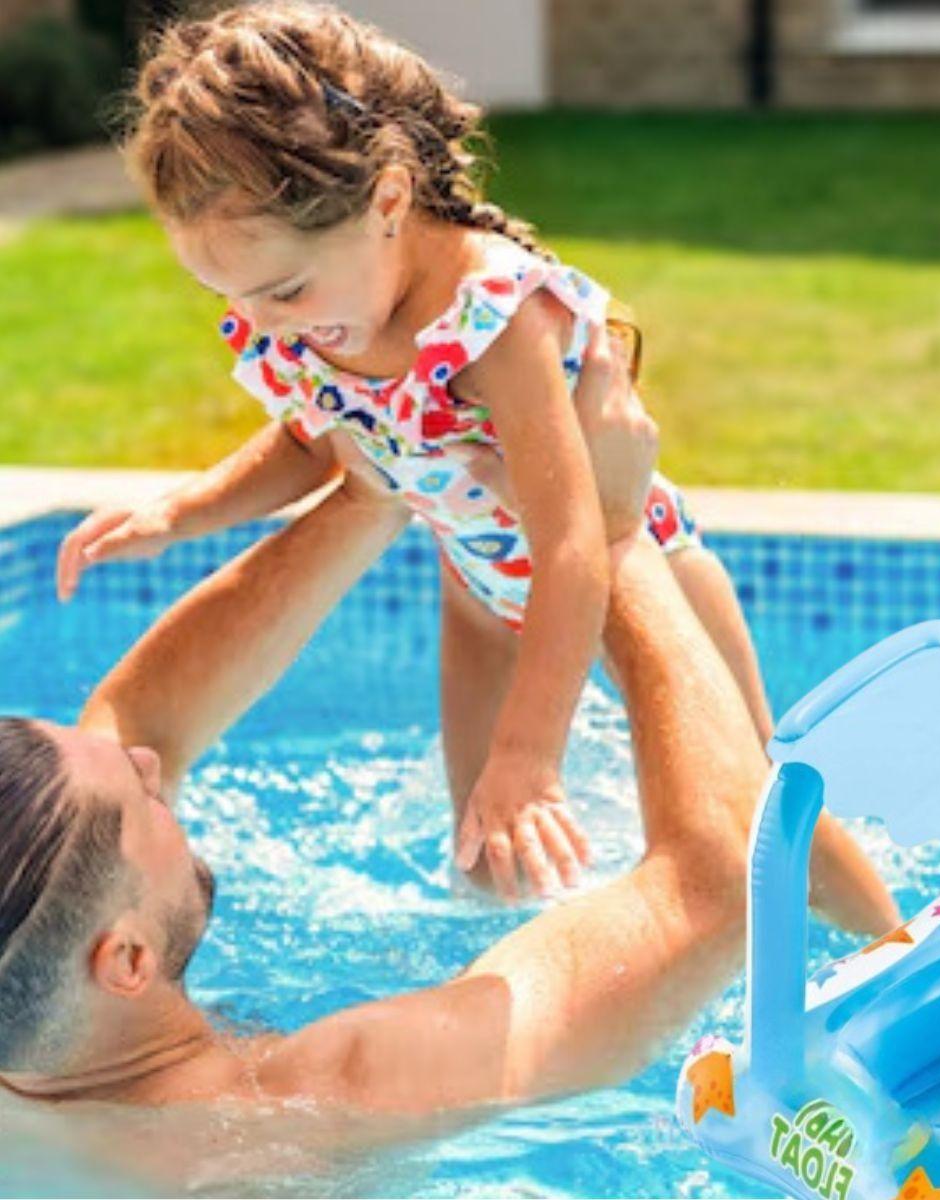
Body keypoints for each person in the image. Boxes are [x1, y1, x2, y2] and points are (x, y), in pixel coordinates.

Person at [52, 0, 895, 929]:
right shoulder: (321, 311)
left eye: (283, 290)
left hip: (626, 577)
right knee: (482, 841)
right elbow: (314, 440)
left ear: (387, 199)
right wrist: (185, 512)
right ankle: (509, 978)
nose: (265, 325)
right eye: (232, 299)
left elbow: (575, 540)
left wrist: (532, 753)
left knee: (761, 803)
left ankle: (889, 941)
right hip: (482, 598)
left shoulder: (488, 315)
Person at [0, 346, 891, 1187]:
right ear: (124, 958)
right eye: (138, 800)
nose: (150, 764)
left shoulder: (35, 1071)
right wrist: (610, 533)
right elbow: (729, 877)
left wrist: (373, 488)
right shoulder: (343, 1091)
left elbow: (133, 727)